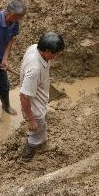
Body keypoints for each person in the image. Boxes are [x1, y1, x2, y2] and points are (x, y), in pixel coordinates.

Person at [19, 32, 65, 162]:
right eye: (56, 53)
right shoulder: (35, 69)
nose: (56, 56)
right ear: (48, 51)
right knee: (35, 134)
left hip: (39, 96)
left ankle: (42, 145)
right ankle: (26, 158)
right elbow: (24, 96)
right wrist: (30, 119)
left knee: (41, 127)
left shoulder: (34, 48)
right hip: (35, 108)